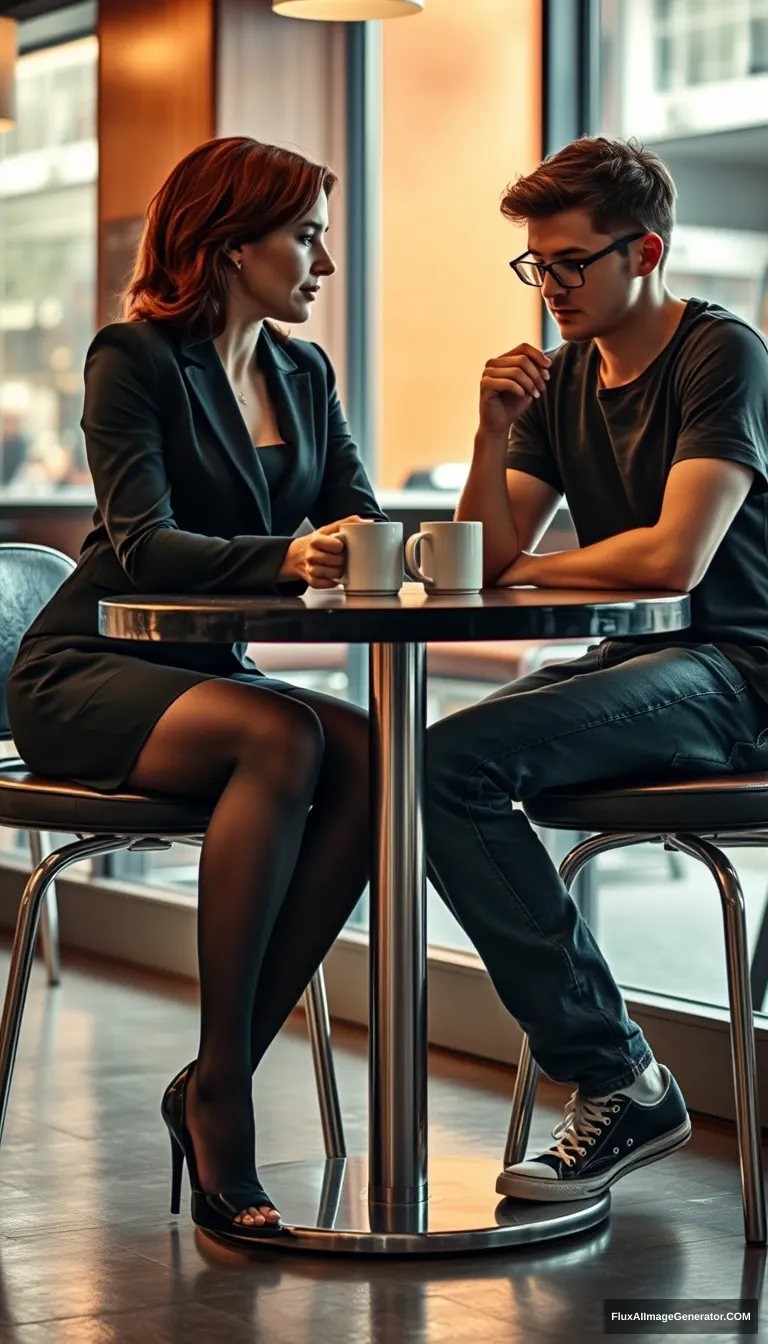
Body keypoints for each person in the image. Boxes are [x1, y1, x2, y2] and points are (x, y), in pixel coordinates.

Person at [7, 136, 384, 1242]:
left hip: (211, 679)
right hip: (91, 670)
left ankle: (217, 1069)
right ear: (230, 246)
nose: (322, 263)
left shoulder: (304, 374)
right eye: (306, 235)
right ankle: (223, 1098)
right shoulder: (133, 359)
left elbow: (358, 522)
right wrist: (285, 558)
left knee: (365, 749)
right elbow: (142, 543)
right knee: (282, 740)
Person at [426, 135, 768, 1203]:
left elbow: (677, 553)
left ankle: (614, 1081)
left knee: (449, 767)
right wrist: (492, 435)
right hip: (637, 656)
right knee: (420, 762)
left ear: (646, 250)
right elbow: (475, 567)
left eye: (572, 262)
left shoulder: (722, 353)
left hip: (738, 672)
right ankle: (621, 1075)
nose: (552, 288)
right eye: (538, 265)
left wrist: (544, 566)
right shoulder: (563, 379)